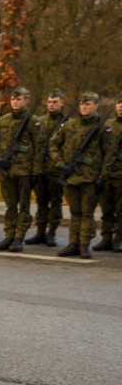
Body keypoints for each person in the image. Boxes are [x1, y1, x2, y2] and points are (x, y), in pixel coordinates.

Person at [52, 92, 110, 259]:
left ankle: (85, 244)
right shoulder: (69, 126)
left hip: (90, 179)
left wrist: (102, 177)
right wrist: (60, 163)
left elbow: (109, 154)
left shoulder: (103, 127)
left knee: (87, 213)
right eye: (82, 104)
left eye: (88, 104)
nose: (84, 107)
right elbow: (53, 145)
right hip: (71, 177)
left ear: (96, 106)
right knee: (74, 212)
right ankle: (73, 244)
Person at [0, 86, 40, 252]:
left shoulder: (34, 121)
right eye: (13, 99)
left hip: (24, 172)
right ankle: (9, 235)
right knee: (10, 206)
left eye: (19, 99)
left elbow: (40, 148)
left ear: (26, 100)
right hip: (7, 171)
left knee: (23, 206)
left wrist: (36, 172)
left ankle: (19, 237)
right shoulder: (3, 121)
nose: (15, 102)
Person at [29, 90, 68, 247]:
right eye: (50, 102)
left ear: (62, 103)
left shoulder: (68, 123)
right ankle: (40, 232)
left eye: (55, 102)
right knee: (41, 202)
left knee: (56, 203)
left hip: (56, 170)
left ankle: (52, 233)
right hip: (40, 168)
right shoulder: (40, 121)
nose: (51, 105)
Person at [100, 93, 122, 252]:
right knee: (107, 209)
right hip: (107, 174)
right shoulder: (108, 124)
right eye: (119, 103)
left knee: (121, 211)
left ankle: (118, 240)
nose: (121, 106)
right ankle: (106, 238)